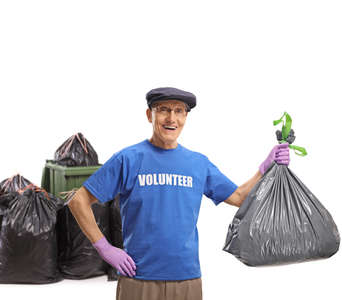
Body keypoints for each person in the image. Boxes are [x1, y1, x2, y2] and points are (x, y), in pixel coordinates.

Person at [67, 87, 289, 300]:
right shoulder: (128, 159)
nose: (171, 118)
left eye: (179, 111)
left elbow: (240, 197)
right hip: (138, 277)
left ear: (185, 117)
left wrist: (265, 167)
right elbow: (78, 201)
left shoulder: (198, 164)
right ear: (149, 115)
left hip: (186, 278)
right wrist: (104, 248)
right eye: (163, 109)